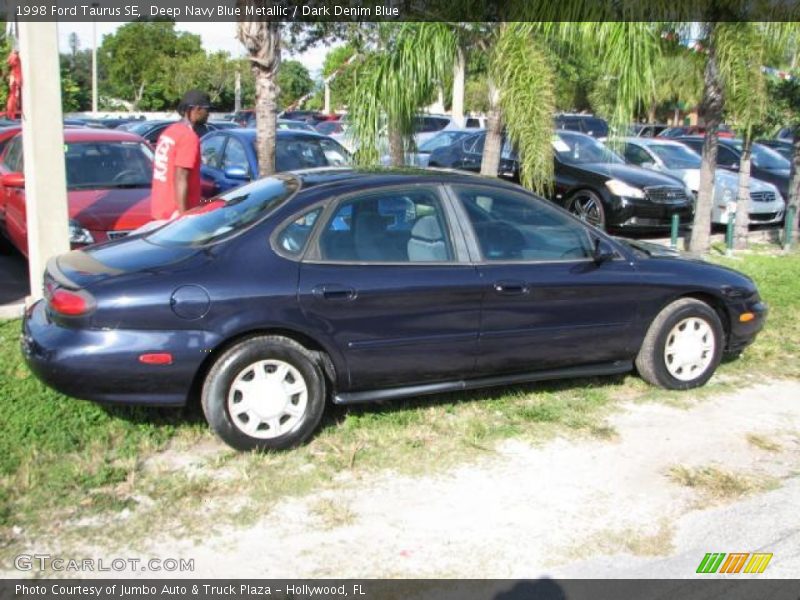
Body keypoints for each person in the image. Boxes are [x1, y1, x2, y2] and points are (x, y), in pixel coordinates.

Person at [150, 89, 210, 220]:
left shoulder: (169, 132)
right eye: (207, 110)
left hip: (160, 210)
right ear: (197, 109)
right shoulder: (188, 137)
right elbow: (181, 176)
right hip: (175, 215)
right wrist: (183, 217)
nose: (208, 114)